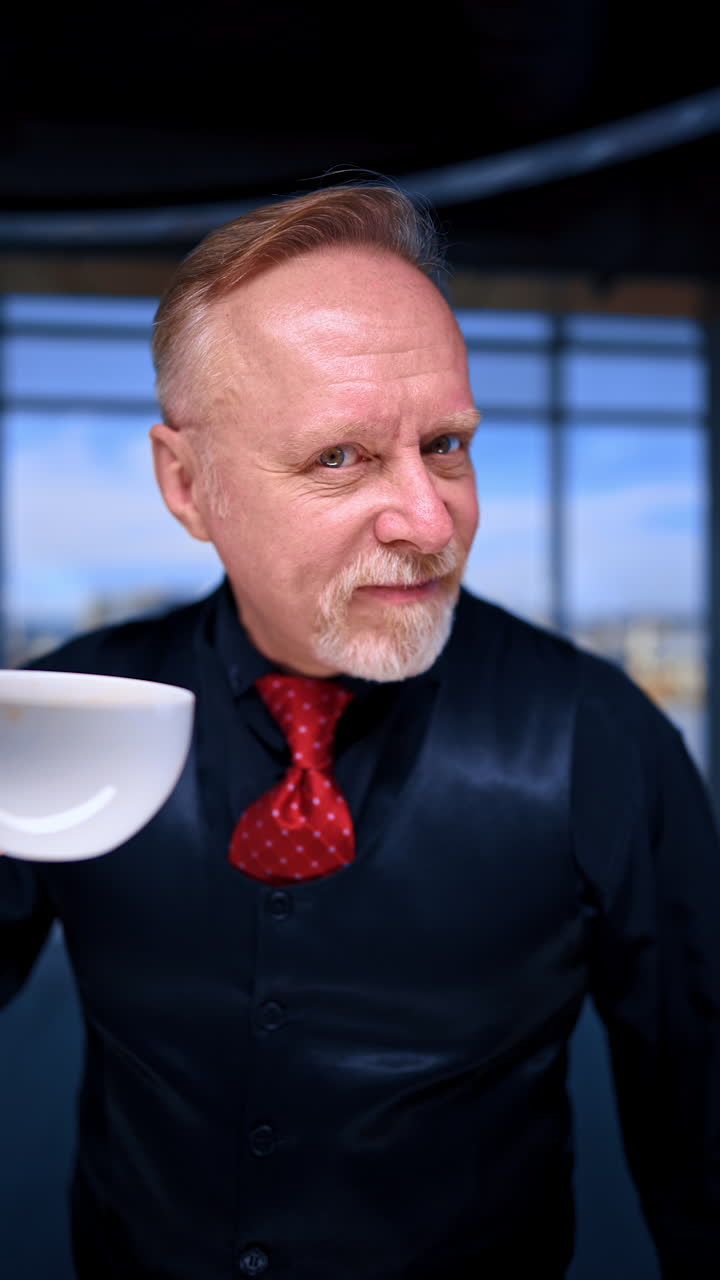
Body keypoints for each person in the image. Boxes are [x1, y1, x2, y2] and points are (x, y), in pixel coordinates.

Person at [2, 181, 720, 1279]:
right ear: (187, 484)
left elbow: (705, 1135)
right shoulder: (66, 713)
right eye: (338, 457)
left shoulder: (599, 738)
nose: (432, 521)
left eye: (447, 443)